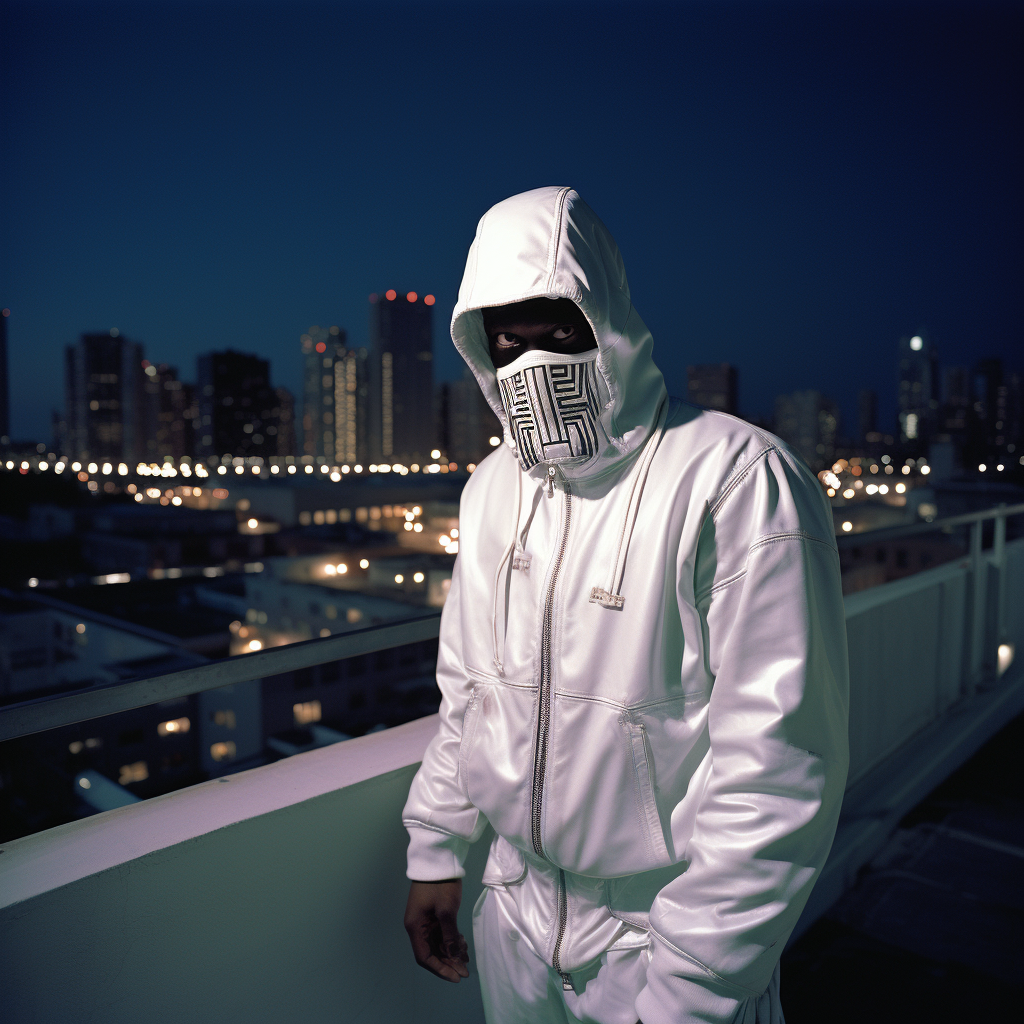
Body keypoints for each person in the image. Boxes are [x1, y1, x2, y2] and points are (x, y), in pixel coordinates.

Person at [402, 186, 849, 1024]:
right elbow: (468, 691)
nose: (533, 364)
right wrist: (436, 850)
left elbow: (778, 767)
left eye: (557, 331)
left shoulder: (737, 479)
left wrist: (697, 985)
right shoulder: (491, 490)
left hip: (658, 938)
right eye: (508, 342)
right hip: (514, 915)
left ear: (605, 320)